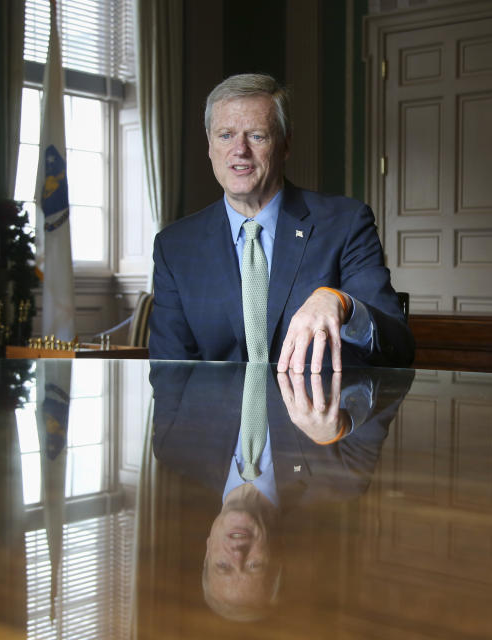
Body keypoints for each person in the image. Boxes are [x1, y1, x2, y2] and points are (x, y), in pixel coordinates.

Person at [148, 73, 414, 372]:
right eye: (225, 135)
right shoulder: (175, 246)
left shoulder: (346, 223)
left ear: (285, 145)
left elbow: (398, 348)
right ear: (210, 146)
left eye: (257, 136)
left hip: (317, 414)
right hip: (216, 419)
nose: (239, 150)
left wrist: (344, 305)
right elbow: (169, 373)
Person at [149, 360, 415, 621]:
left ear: (208, 550)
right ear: (278, 551)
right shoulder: (343, 475)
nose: (238, 553)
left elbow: (172, 332)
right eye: (254, 566)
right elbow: (393, 376)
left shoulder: (174, 444)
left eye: (223, 566)